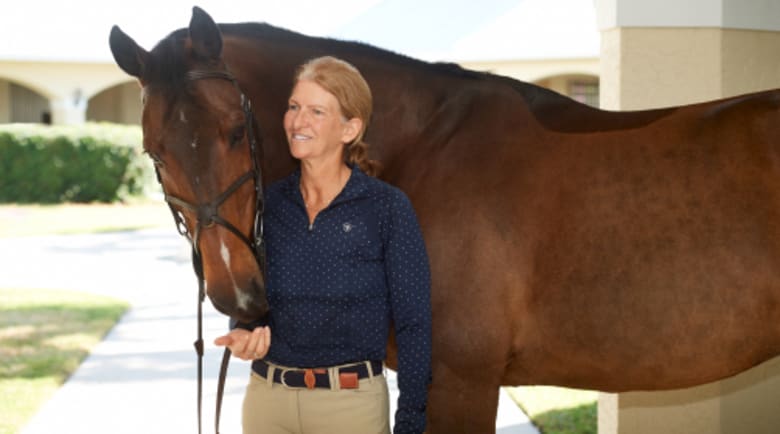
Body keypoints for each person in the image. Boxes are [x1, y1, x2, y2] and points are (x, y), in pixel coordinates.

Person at [214, 56, 432, 434]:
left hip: (350, 408)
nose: (298, 122)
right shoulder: (267, 204)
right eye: (294, 107)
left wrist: (411, 421)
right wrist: (247, 329)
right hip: (268, 402)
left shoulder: (387, 208)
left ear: (350, 128)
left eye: (316, 111)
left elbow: (414, 325)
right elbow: (253, 293)